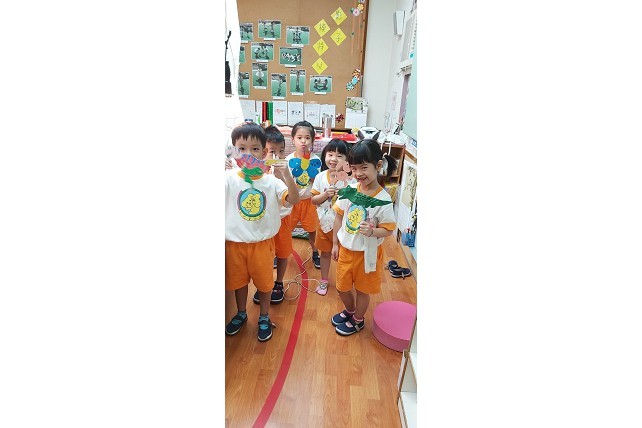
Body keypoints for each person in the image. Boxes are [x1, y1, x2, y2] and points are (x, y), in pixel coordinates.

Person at [225, 122, 299, 342]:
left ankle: (264, 316)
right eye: (242, 149)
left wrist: (286, 174)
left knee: (265, 284)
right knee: (238, 283)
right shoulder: (229, 178)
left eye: (255, 148)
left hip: (262, 245)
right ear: (235, 151)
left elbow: (294, 199)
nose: (248, 154)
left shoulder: (271, 181)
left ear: (264, 152)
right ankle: (241, 313)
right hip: (235, 245)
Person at [330, 139, 398, 335]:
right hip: (346, 251)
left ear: (378, 165)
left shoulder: (383, 199)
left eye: (363, 167)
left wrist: (372, 231)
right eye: (354, 168)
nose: (358, 173)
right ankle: (351, 311)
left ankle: (358, 320)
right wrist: (334, 244)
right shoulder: (350, 191)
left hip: (367, 254)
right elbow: (338, 217)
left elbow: (388, 230)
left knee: (362, 290)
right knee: (342, 287)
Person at [251, 125, 291, 305]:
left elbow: (290, 195)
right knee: (264, 256)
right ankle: (264, 284)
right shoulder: (257, 172)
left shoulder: (285, 170)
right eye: (272, 152)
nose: (277, 156)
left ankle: (279, 283)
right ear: (263, 152)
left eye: (281, 151)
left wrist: (282, 174)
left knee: (282, 252)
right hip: (264, 221)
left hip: (283, 219)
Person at [310, 139, 354, 295]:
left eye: (339, 156)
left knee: (344, 256)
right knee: (325, 253)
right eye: (330, 154)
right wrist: (324, 195)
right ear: (324, 156)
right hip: (324, 224)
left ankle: (345, 283)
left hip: (343, 226)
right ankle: (324, 281)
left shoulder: (351, 180)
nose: (334, 159)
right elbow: (313, 200)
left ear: (347, 159)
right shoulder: (320, 177)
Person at [285, 121, 322, 269]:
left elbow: (318, 182)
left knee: (312, 230)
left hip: (309, 202)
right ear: (293, 139)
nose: (303, 141)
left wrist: (311, 174)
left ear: (312, 140)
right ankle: (280, 254)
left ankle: (315, 252)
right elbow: (285, 181)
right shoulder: (289, 160)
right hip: (292, 202)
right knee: (286, 230)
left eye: (307, 138)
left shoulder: (315, 160)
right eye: (299, 137)